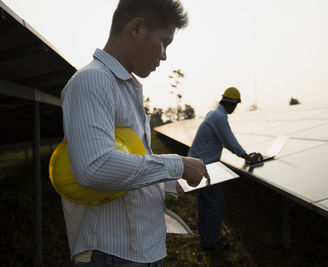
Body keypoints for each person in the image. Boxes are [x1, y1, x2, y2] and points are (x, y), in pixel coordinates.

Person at [61, 0, 209, 266]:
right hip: (113, 254)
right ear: (137, 28)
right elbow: (94, 167)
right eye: (165, 42)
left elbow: (130, 163)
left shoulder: (126, 87)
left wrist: (166, 181)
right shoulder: (94, 80)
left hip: (140, 250)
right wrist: (176, 164)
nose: (164, 55)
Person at [188, 87, 261, 250]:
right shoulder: (219, 117)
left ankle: (206, 241)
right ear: (234, 104)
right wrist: (245, 156)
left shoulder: (213, 114)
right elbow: (229, 140)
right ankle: (211, 243)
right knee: (215, 204)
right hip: (205, 168)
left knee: (205, 205)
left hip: (197, 166)